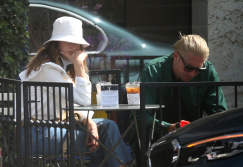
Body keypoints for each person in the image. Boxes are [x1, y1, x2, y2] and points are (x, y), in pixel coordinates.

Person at [19, 16, 132, 167]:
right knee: (104, 134)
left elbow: (74, 103)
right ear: (56, 43)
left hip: (51, 130)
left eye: (76, 42)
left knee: (106, 126)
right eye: (67, 40)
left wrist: (89, 122)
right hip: (35, 135)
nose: (73, 46)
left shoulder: (59, 66)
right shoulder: (48, 69)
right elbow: (84, 101)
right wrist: (78, 64)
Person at [129, 34, 227, 163]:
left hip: (194, 140)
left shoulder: (208, 71)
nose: (192, 74)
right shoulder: (153, 71)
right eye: (188, 68)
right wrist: (168, 128)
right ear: (176, 56)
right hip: (156, 141)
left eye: (198, 70)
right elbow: (140, 116)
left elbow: (219, 112)